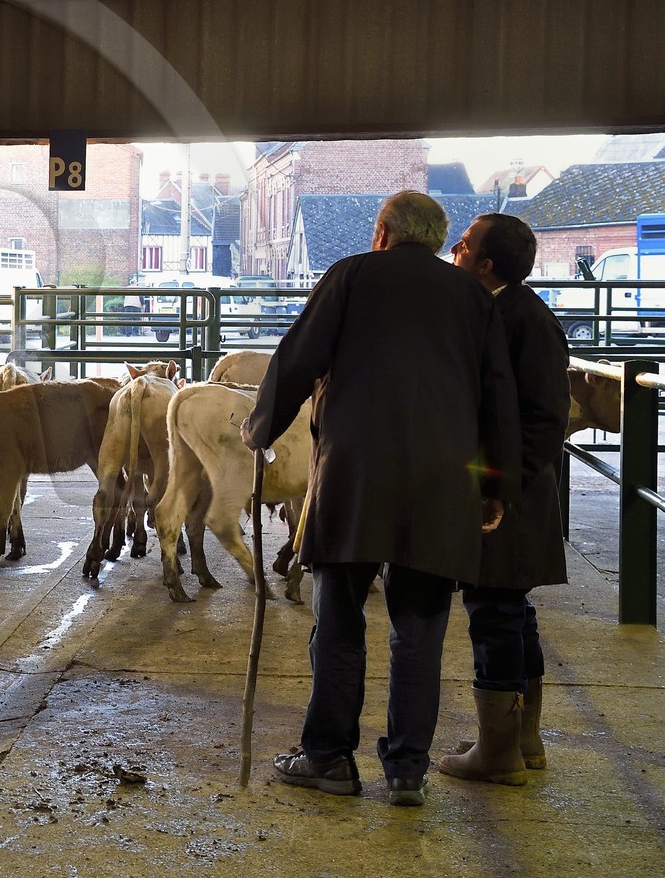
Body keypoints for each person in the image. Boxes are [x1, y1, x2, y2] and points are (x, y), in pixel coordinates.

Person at [242, 190, 518, 808]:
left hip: (354, 477)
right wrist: (496, 487)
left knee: (339, 621)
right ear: (435, 238)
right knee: (419, 632)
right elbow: (498, 397)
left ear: (383, 232)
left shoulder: (351, 276)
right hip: (442, 485)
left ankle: (328, 759)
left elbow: (298, 357)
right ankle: (407, 771)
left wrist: (260, 429)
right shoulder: (473, 296)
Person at [440, 213, 569, 785]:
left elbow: (544, 417)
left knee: (493, 609)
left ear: (484, 264)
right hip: (513, 490)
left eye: (465, 244)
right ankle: (521, 739)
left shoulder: (518, 318)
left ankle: (498, 754)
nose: (455, 248)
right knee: (512, 610)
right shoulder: (511, 310)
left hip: (508, 497)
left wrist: (498, 489)